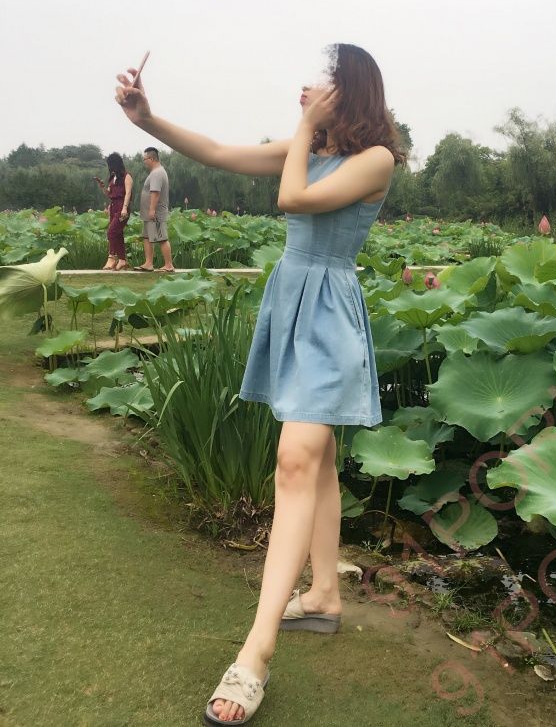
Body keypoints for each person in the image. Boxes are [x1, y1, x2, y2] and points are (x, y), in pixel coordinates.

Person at [114, 43, 406, 725]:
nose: (306, 89)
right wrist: (148, 120)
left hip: (329, 314)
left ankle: (257, 652)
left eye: (321, 81)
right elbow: (219, 151)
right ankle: (324, 593)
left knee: (296, 459)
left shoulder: (375, 159)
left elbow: (292, 197)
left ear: (349, 91)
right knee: (317, 458)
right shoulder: (311, 146)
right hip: (293, 304)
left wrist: (301, 132)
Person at [133, 146, 175, 273]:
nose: (144, 162)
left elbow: (155, 192)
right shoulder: (155, 172)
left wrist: (152, 210)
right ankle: (148, 263)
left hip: (155, 213)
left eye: (145, 159)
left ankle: (168, 265)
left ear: (151, 159)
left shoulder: (157, 173)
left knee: (162, 238)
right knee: (146, 237)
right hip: (148, 214)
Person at [94, 152, 133, 271]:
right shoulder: (112, 177)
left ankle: (112, 257)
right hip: (113, 206)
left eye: (110, 164)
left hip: (122, 207)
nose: (109, 167)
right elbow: (109, 194)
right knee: (118, 234)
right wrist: (102, 187)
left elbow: (128, 193)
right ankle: (122, 260)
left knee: (111, 232)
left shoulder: (127, 176)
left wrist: (125, 208)